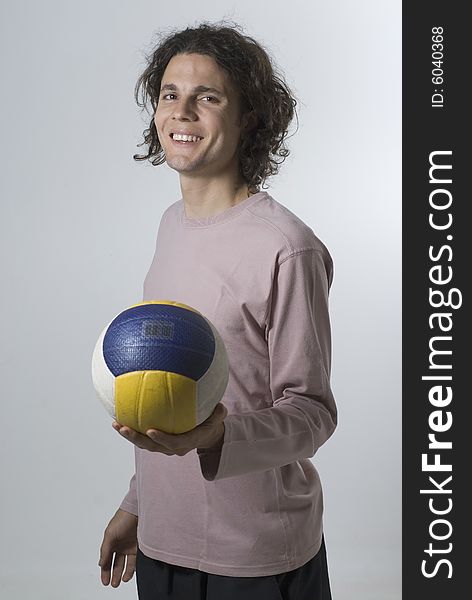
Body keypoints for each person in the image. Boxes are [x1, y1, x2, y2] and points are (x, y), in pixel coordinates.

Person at [98, 21, 338, 600]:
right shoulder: (171, 226)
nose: (182, 112)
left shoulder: (286, 246)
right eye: (169, 94)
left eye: (207, 97)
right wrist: (139, 503)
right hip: (164, 542)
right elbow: (170, 386)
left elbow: (312, 413)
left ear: (248, 118)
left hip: (257, 555)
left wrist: (216, 437)